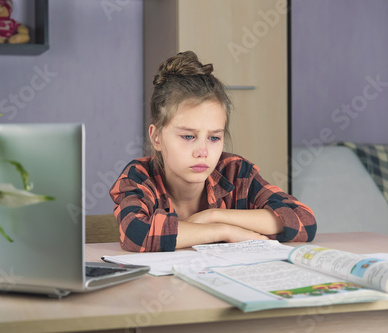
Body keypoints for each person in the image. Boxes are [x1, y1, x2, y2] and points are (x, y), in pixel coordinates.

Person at [109, 51, 316, 252]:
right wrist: (222, 231)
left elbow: (304, 220)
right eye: (188, 136)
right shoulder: (138, 176)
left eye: (214, 138)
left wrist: (214, 216)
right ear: (156, 138)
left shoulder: (236, 173)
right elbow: (136, 234)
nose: (203, 152)